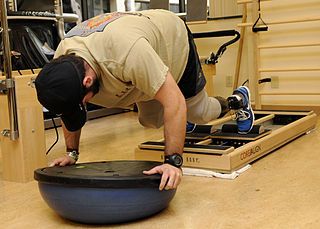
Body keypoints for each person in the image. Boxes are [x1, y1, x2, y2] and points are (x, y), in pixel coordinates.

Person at [35, 9, 254, 191]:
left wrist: (173, 162)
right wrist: (71, 154)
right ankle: (177, 122)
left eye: (82, 103)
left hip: (173, 43)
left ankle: (237, 101)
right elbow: (69, 108)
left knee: (199, 112)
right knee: (150, 121)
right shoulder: (63, 61)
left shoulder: (126, 53)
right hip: (139, 58)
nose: (82, 106)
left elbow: (174, 101)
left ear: (87, 80)